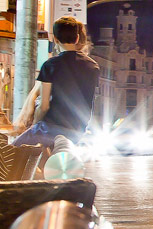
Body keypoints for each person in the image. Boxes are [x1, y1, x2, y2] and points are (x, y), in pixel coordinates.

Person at [12, 16, 99, 151]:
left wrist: (35, 125)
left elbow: (44, 106)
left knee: (11, 151)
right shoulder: (93, 66)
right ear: (77, 38)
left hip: (50, 128)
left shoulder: (50, 65)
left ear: (56, 40)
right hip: (77, 129)